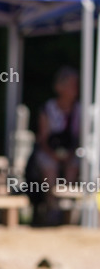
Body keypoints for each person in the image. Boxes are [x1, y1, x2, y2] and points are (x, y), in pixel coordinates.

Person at [26, 67, 80, 225]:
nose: (74, 89)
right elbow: (43, 139)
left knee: (74, 164)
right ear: (59, 87)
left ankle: (68, 208)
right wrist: (54, 155)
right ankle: (53, 209)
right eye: (71, 85)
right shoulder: (48, 108)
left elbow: (79, 139)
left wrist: (69, 154)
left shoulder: (79, 110)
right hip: (48, 151)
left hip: (71, 152)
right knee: (49, 166)